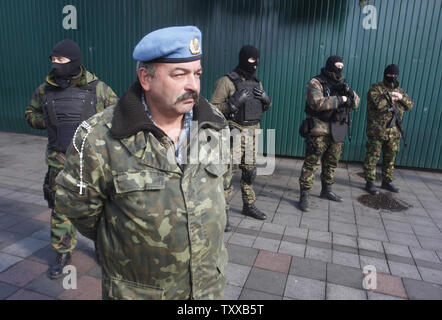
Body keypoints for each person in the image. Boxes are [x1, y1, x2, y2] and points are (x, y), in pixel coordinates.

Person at [54, 26, 230, 300]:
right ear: (145, 78)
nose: (193, 85)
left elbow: (223, 189)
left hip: (208, 292)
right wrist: (124, 242)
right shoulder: (99, 138)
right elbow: (79, 210)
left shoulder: (216, 126)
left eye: (197, 73)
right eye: (179, 74)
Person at [24, 39, 118, 279]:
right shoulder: (44, 90)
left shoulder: (98, 89)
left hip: (91, 163)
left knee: (98, 207)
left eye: (61, 60)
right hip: (59, 161)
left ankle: (101, 246)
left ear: (74, 61)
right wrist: (46, 121)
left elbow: (116, 116)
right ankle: (62, 251)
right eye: (53, 60)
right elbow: (30, 114)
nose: (56, 64)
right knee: (60, 207)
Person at [210, 45, 271, 230]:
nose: (255, 64)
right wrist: (232, 103)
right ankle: (224, 212)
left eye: (257, 60)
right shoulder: (226, 82)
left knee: (250, 173)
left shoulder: (257, 82)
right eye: (251, 60)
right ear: (243, 59)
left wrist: (266, 100)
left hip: (253, 133)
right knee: (227, 175)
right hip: (234, 133)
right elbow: (212, 108)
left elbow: (263, 107)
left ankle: (248, 205)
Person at [298, 56, 360, 212]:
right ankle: (304, 194)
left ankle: (327, 190)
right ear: (329, 66)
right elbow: (317, 102)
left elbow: (356, 103)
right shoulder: (316, 82)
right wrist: (340, 99)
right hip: (319, 128)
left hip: (337, 128)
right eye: (336, 65)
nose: (339, 69)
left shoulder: (342, 84)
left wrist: (350, 93)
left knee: (332, 162)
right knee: (312, 162)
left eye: (341, 65)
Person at [363, 64, 413, 195]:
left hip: (394, 133)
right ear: (385, 74)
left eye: (395, 75)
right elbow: (379, 104)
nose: (392, 77)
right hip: (377, 131)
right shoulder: (376, 88)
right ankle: (369, 182)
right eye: (390, 75)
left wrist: (401, 97)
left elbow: (410, 105)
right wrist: (392, 96)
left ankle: (387, 181)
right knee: (372, 157)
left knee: (390, 158)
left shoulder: (400, 90)